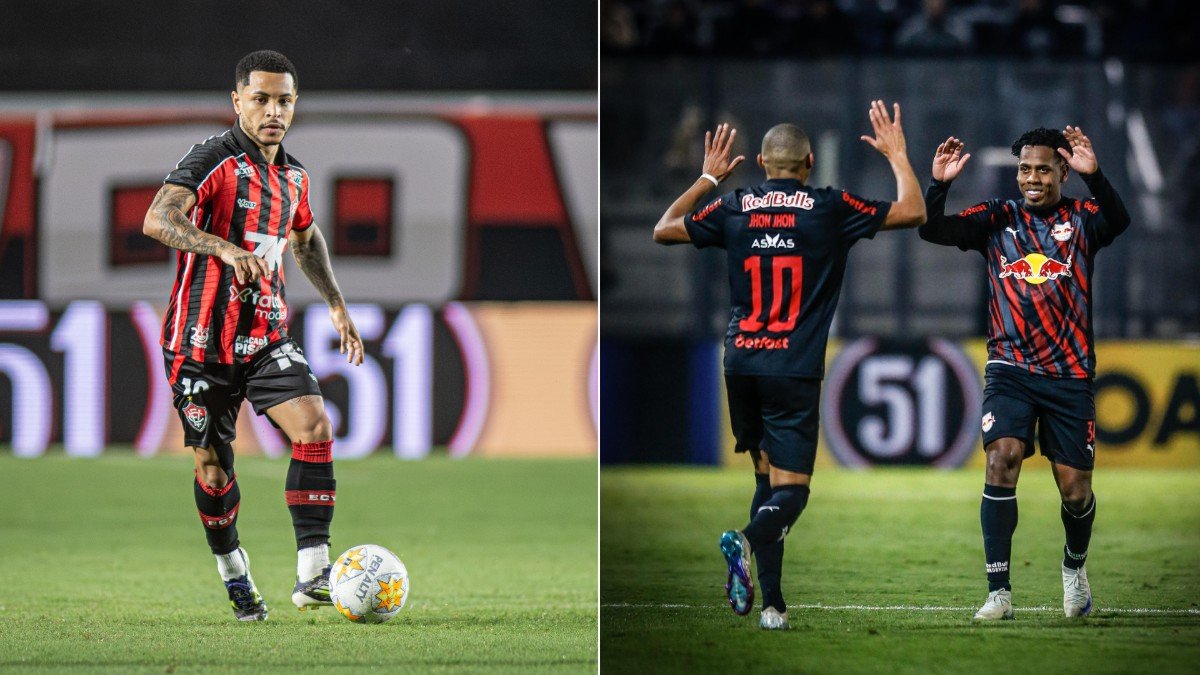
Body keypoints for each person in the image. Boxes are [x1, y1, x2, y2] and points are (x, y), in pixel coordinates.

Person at [652, 101, 926, 629]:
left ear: (760, 160)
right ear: (809, 163)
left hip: (740, 363)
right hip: (792, 366)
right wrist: (896, 154)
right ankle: (746, 541)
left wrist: (707, 177)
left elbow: (664, 229)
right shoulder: (828, 205)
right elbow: (913, 210)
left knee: (765, 476)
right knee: (793, 490)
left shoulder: (734, 205)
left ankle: (773, 606)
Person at [142, 50, 364, 621]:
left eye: (284, 100)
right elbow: (157, 218)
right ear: (237, 100)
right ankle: (233, 570)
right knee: (214, 470)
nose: (273, 110)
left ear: (295, 104)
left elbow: (306, 240)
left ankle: (314, 573)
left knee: (314, 423)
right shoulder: (212, 160)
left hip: (264, 335)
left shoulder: (293, 176)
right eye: (261, 98)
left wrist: (336, 305)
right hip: (199, 344)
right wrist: (222, 246)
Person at [918, 126, 1130, 620]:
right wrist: (939, 186)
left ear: (1062, 172)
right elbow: (933, 230)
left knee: (1075, 490)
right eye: (1023, 169)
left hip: (1070, 373)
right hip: (1009, 369)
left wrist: (1095, 177)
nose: (1031, 178)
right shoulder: (998, 217)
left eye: (1042, 169)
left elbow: (1120, 220)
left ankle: (1074, 569)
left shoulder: (1082, 219)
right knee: (1002, 459)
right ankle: (999, 593)